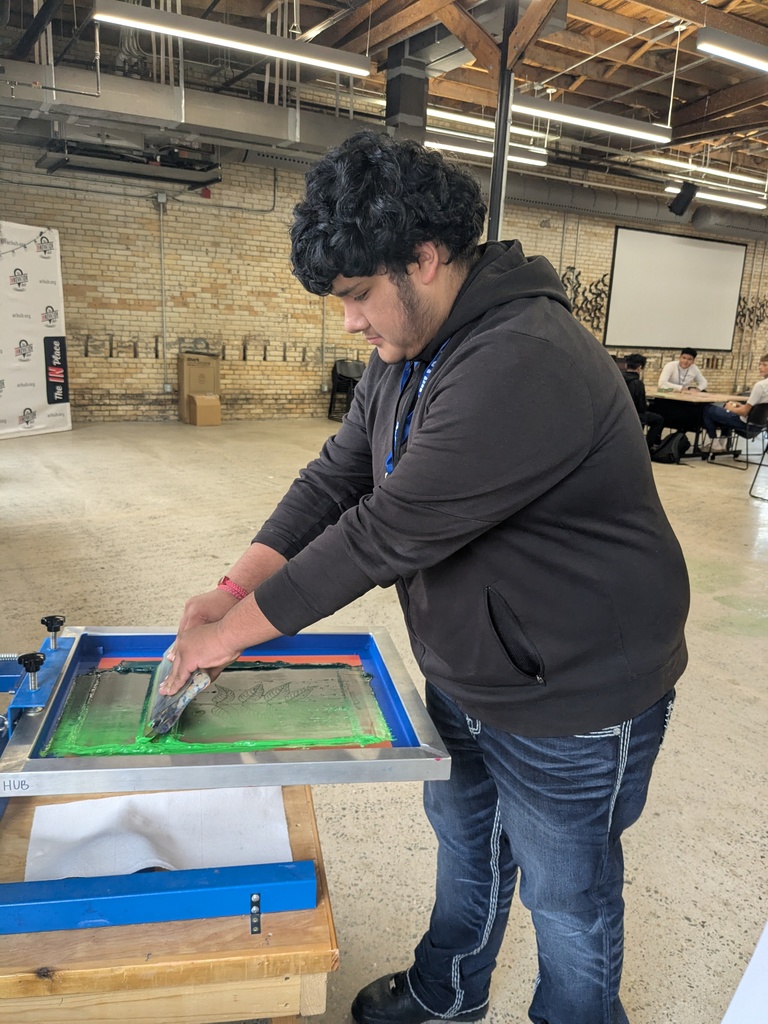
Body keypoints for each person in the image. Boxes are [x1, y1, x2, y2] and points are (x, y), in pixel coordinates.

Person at [162, 131, 689, 1024]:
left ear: (426, 257)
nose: (350, 323)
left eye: (357, 295)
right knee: (467, 843)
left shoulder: (523, 358)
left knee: (567, 897)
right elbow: (338, 477)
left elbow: (381, 534)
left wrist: (227, 639)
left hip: (576, 695)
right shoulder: (409, 352)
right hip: (468, 667)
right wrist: (233, 587)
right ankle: (449, 994)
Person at [700, 354, 768, 453]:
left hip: (746, 424)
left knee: (708, 409)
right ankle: (722, 444)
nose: (760, 367)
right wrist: (741, 406)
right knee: (723, 412)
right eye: (759, 364)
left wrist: (730, 408)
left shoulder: (760, 385)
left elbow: (744, 412)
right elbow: (758, 408)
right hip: (760, 425)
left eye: (765, 365)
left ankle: (715, 445)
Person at [622, 353, 664, 450]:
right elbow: (641, 408)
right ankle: (646, 447)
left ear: (626, 365)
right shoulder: (638, 383)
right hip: (633, 415)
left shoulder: (618, 378)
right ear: (640, 368)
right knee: (658, 420)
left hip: (618, 413)